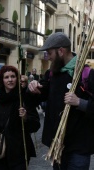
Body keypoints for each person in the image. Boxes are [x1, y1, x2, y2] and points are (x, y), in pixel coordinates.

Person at [28, 32, 94, 170]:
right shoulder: (52, 73)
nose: (48, 57)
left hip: (79, 147)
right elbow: (41, 95)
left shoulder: (87, 74)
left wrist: (80, 102)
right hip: (57, 145)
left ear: (61, 51)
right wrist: (33, 88)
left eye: (49, 53)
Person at [0, 65, 40, 170]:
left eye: (13, 76)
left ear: (17, 78)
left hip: (19, 151)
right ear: (2, 80)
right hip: (0, 150)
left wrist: (25, 118)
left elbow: (36, 125)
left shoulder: (24, 97)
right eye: (6, 77)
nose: (10, 80)